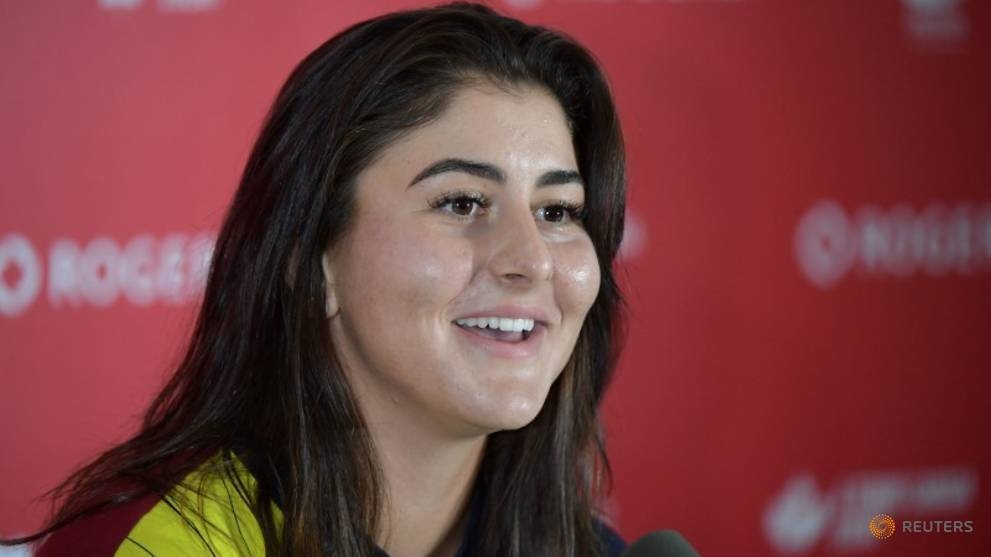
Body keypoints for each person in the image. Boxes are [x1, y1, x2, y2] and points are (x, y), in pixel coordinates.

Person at [5, 2, 628, 555]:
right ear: (311, 263)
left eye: (557, 212)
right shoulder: (159, 546)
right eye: (462, 202)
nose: (532, 259)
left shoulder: (587, 546)